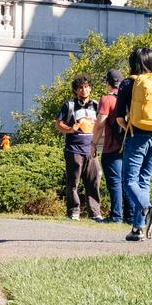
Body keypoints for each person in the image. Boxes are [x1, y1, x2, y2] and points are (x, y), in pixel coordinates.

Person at [111, 45, 152, 242]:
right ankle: (137, 229)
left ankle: (148, 210)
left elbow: (119, 117)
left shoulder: (128, 84)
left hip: (136, 136)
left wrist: (127, 129)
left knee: (129, 181)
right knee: (144, 180)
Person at [53, 79, 103, 221]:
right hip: (73, 149)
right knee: (73, 182)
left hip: (91, 150)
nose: (84, 90)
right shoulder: (69, 105)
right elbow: (58, 124)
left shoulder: (96, 105)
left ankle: (95, 213)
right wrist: (70, 129)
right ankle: (74, 211)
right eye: (80, 88)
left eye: (86, 87)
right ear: (75, 90)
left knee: (94, 181)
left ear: (90, 89)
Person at [95, 67, 127, 225]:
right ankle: (131, 216)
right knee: (127, 182)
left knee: (114, 182)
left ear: (108, 83)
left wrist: (93, 144)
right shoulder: (128, 97)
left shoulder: (107, 99)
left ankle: (116, 216)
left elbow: (100, 124)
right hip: (129, 147)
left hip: (112, 148)